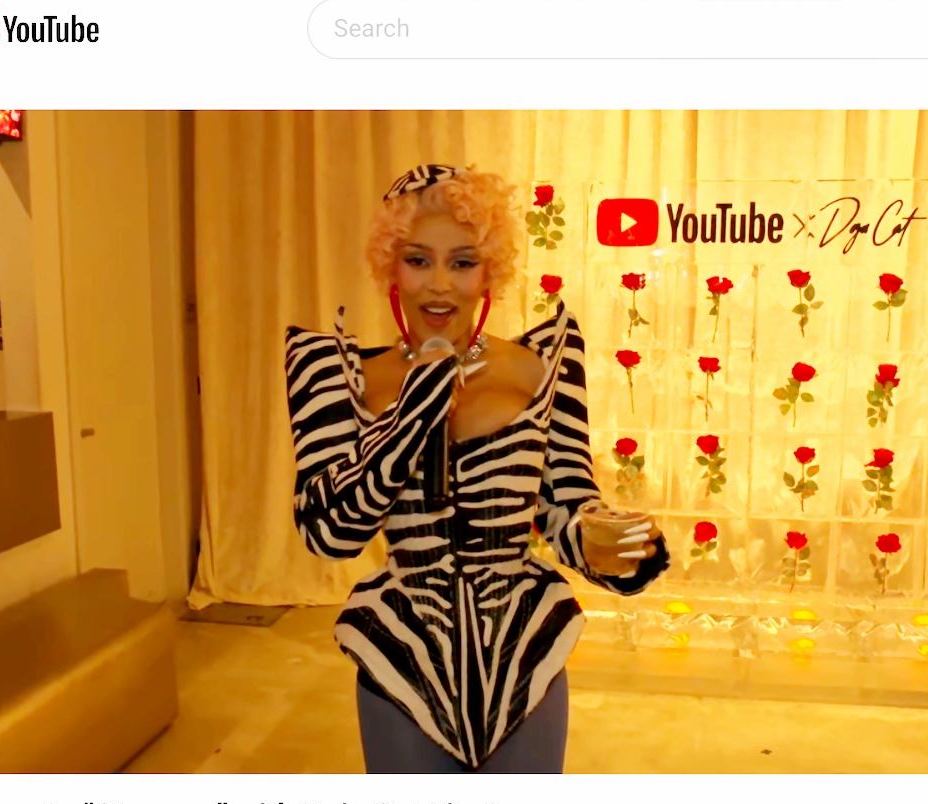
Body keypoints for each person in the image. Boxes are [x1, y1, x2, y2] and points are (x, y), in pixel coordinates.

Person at [284, 163, 670, 773]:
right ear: (390, 265)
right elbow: (329, 532)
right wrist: (414, 411)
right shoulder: (333, 373)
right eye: (418, 260)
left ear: (490, 270)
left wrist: (605, 544)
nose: (439, 285)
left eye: (462, 262)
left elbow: (568, 504)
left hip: (528, 657)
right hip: (399, 661)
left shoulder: (542, 365)